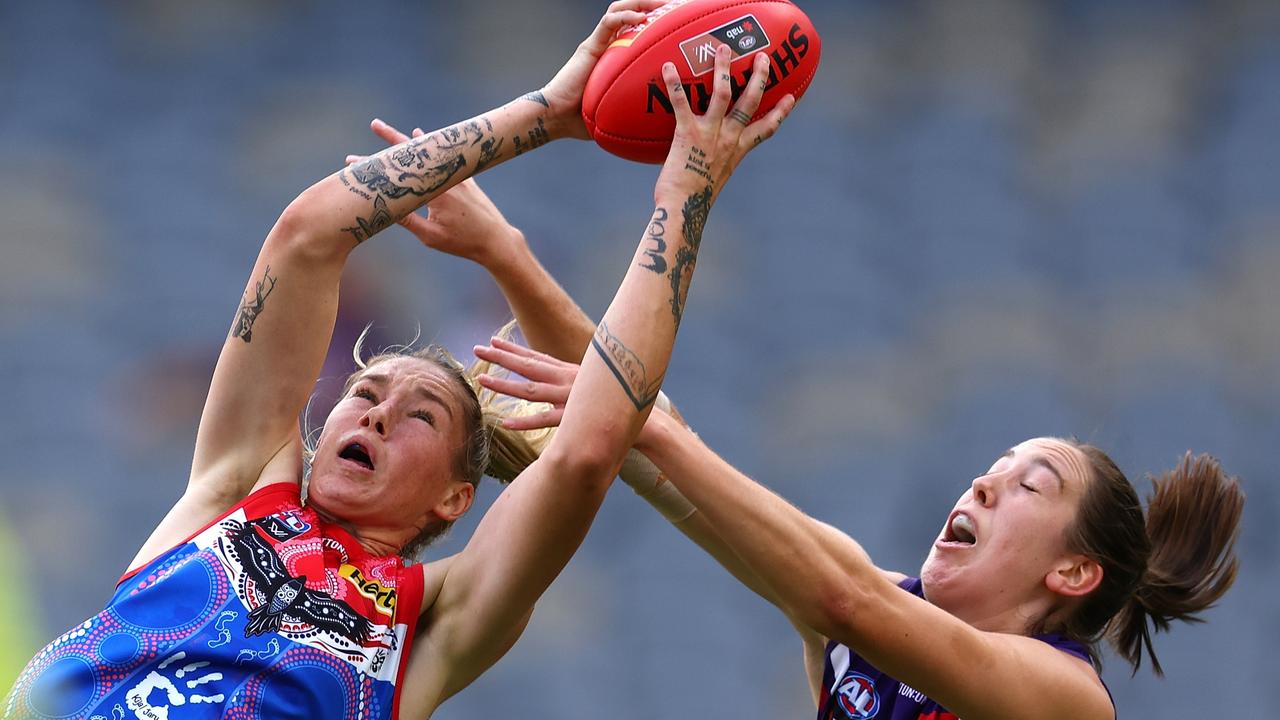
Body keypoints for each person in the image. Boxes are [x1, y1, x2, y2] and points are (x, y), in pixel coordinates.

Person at [2, 5, 797, 717]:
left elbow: (591, 445)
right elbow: (309, 236)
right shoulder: (237, 494)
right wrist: (547, 113)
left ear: (455, 499)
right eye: (366, 392)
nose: (376, 410)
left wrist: (682, 195)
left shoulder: (430, 623)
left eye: (420, 415)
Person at [387, 133, 1246, 720]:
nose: (984, 481)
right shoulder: (860, 603)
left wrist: (649, 429)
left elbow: (848, 600)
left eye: (1031, 485)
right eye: (997, 465)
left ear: (1073, 570)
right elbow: (659, 455)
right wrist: (507, 256)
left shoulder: (1066, 697)